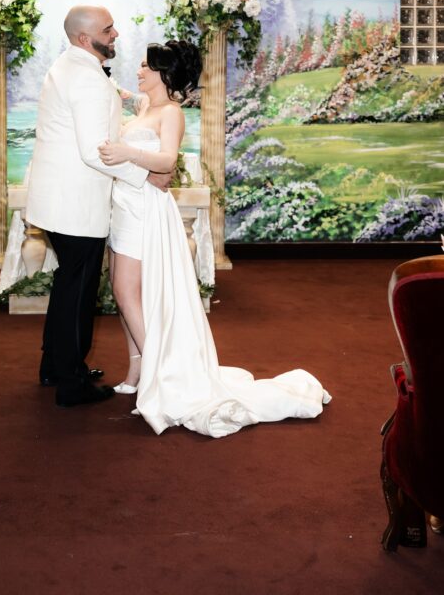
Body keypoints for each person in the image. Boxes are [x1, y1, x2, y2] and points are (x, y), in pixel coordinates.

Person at [99, 39, 330, 438]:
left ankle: (162, 374)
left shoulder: (170, 113)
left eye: (144, 65)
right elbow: (121, 97)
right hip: (124, 207)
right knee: (126, 294)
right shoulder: (144, 107)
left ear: (162, 73)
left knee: (125, 292)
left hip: (144, 211)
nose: (137, 70)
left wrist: (125, 153)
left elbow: (167, 161)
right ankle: (138, 370)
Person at [26, 6, 170, 408]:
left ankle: (55, 365)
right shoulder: (85, 78)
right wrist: (147, 176)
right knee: (78, 292)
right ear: (86, 39)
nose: (117, 34)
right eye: (108, 30)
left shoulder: (70, 67)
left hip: (60, 200)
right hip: (76, 203)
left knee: (68, 284)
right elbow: (95, 152)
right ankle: (71, 383)